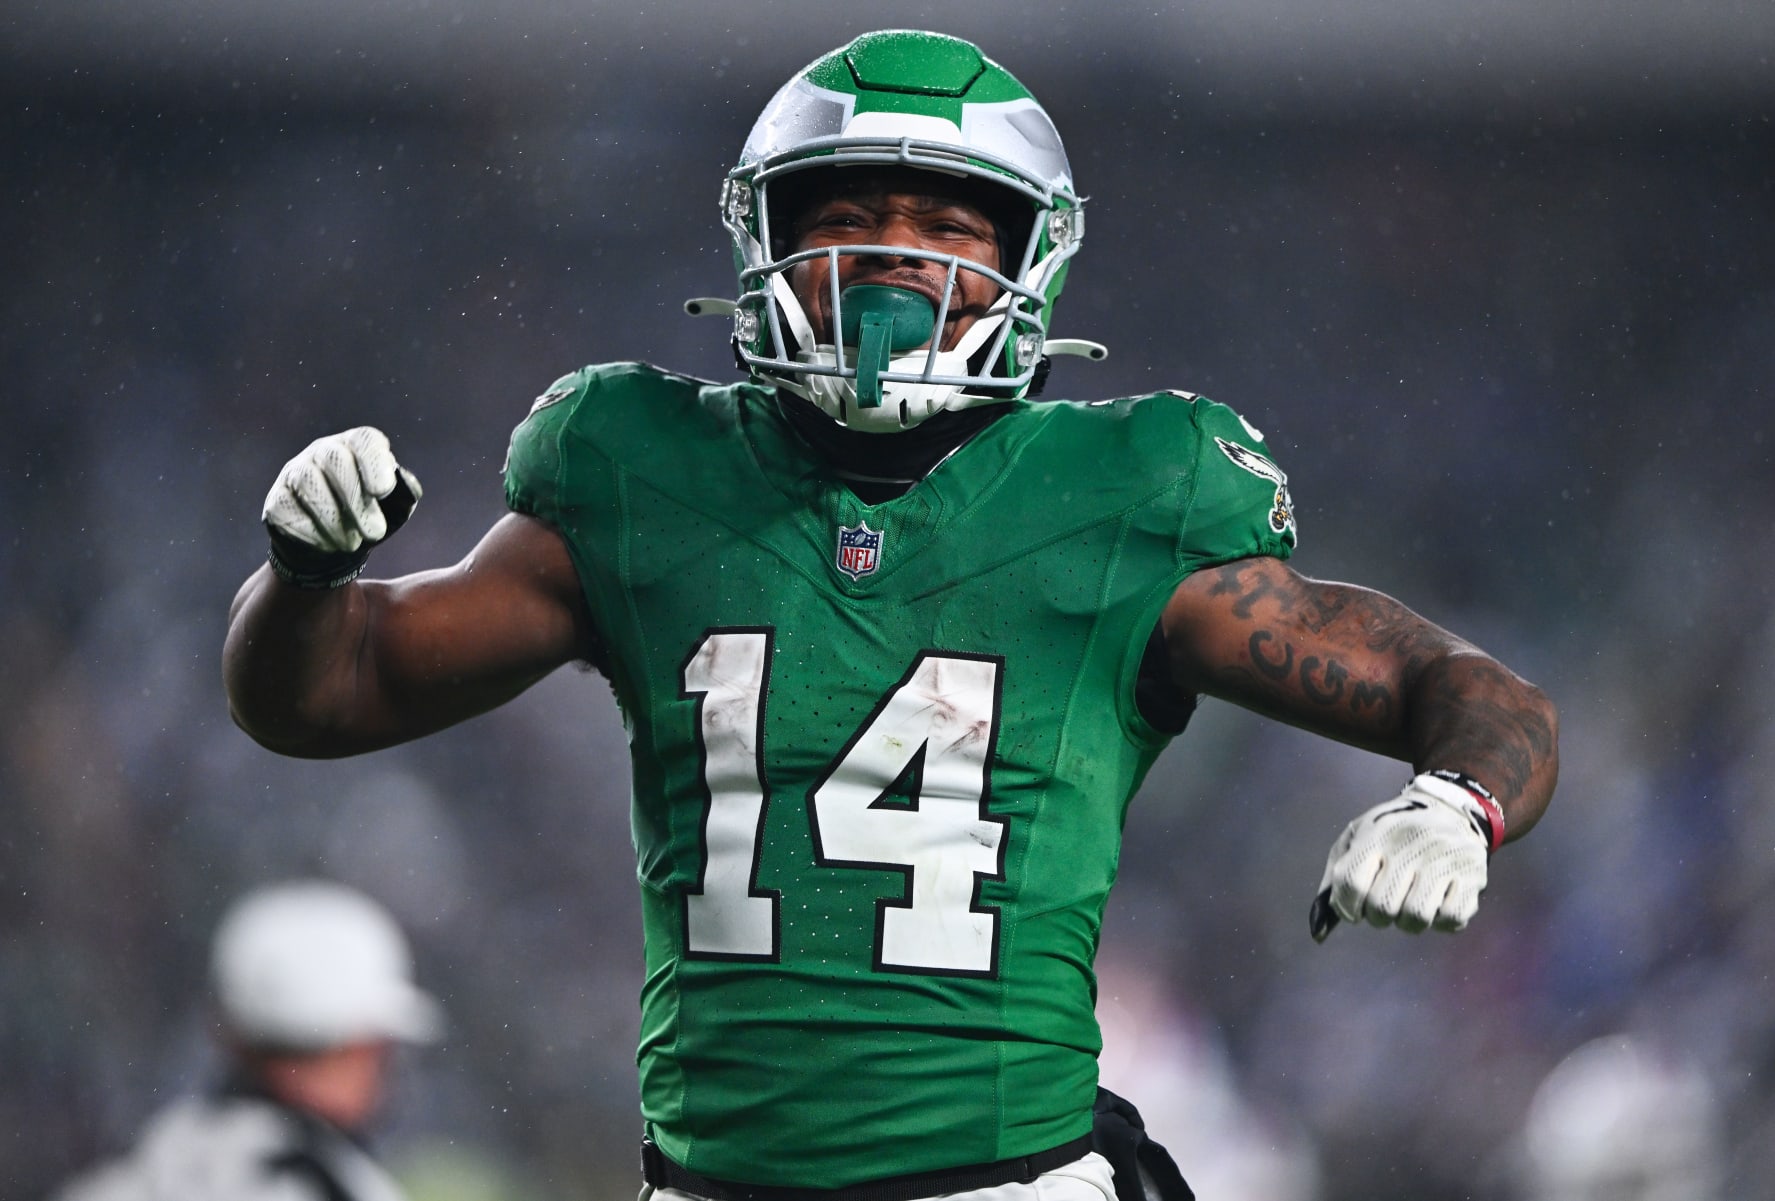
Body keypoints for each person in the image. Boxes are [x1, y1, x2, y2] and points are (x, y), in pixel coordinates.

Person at [222, 28, 1559, 1201]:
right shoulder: (635, 468)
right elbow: (328, 694)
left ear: (1031, 257)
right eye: (846, 212)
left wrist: (1456, 800)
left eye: (949, 224)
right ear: (765, 239)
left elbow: (1468, 688)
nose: (892, 259)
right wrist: (300, 575)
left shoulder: (1131, 492)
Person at [51, 880, 442, 1201]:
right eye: (378, 1046)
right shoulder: (316, 1184)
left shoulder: (145, 1169)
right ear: (349, 1046)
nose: (384, 1066)